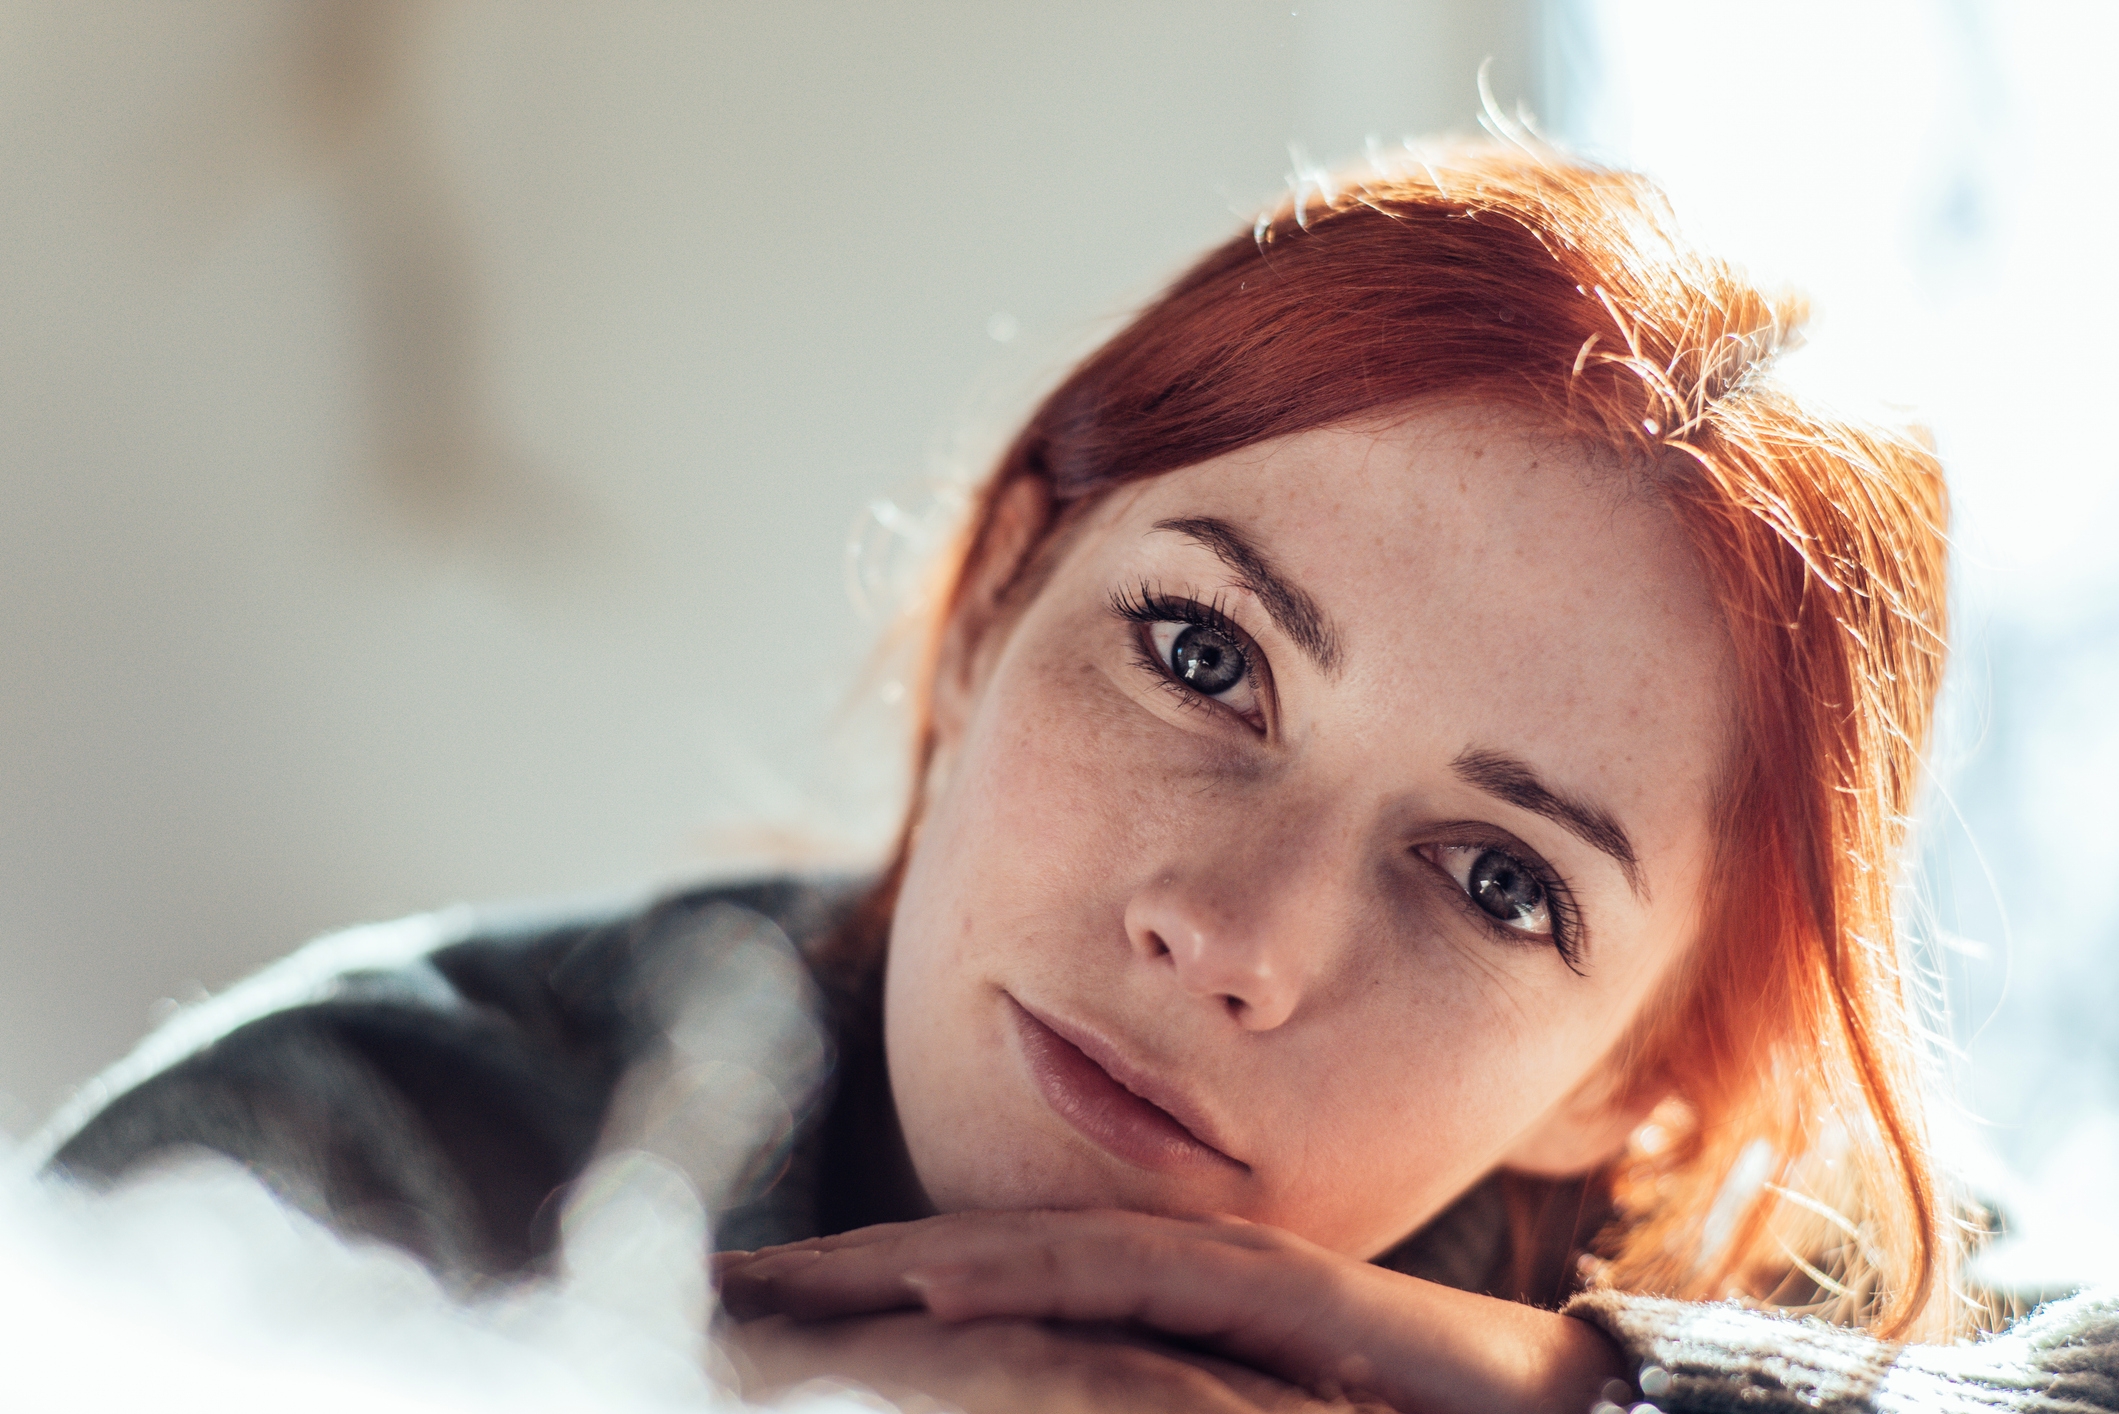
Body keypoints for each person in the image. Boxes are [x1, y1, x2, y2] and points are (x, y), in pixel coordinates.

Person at [28, 143, 2119, 1413]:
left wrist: (1582, 1392)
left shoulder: (1750, 1254)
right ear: (992, 607)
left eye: (1499, 878)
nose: (1229, 932)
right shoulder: (350, 1148)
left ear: (1636, 1077)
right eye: (1204, 656)